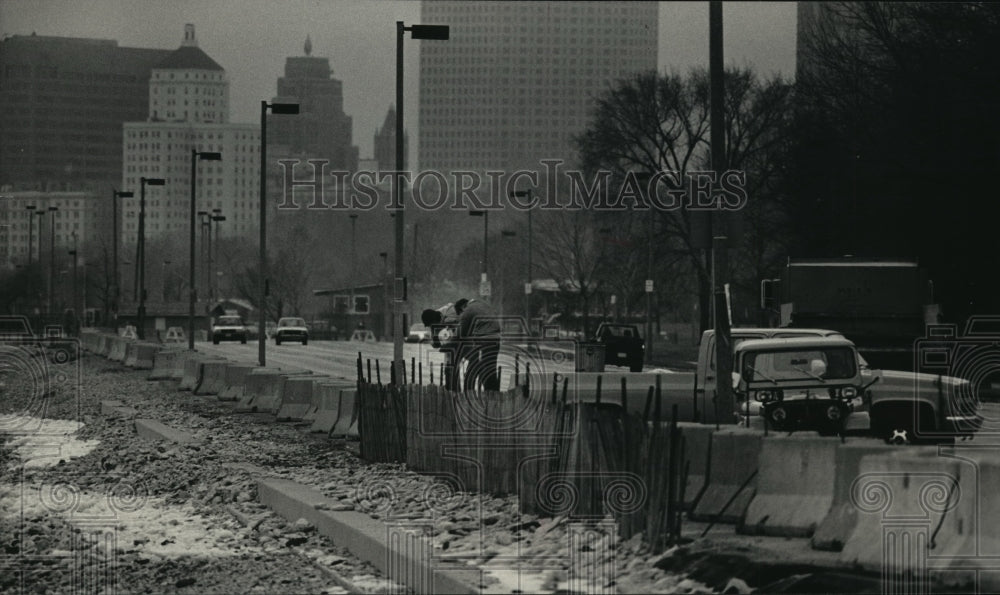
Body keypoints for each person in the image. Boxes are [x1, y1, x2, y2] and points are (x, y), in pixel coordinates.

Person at [453, 298, 501, 391]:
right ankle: (495, 395)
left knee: (481, 369)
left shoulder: (468, 310)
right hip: (496, 339)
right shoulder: (482, 304)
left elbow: (460, 333)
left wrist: (450, 342)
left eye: (460, 314)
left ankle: (485, 393)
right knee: (490, 368)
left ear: (462, 307)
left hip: (484, 341)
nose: (461, 316)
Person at [422, 302, 460, 389]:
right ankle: (451, 390)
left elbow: (457, 335)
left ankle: (455, 391)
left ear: (435, 320)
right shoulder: (434, 320)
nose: (432, 327)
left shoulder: (450, 314)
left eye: (432, 325)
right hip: (450, 349)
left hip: (460, 343)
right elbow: (436, 343)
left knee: (453, 369)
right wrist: (432, 341)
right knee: (449, 369)